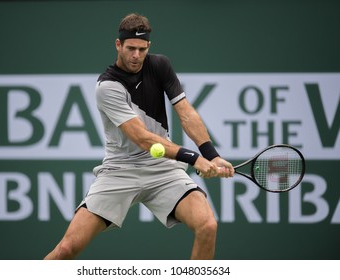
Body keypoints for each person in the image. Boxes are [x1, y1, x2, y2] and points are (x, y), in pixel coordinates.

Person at [44, 13, 234, 260]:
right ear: (118, 45)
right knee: (67, 249)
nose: (136, 56)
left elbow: (185, 113)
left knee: (207, 225)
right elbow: (142, 138)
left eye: (142, 49)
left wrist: (212, 155)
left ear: (149, 47)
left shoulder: (160, 66)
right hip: (120, 170)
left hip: (163, 169)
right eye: (131, 48)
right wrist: (194, 158)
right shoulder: (107, 86)